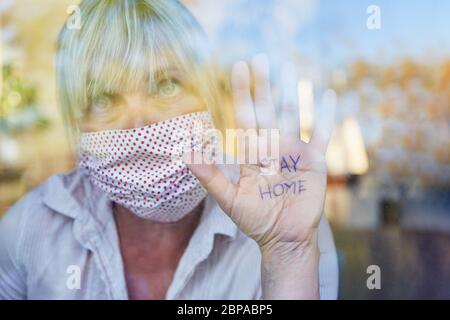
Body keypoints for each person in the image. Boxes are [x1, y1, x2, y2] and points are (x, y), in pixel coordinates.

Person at [0, 0, 338, 300]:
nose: (138, 122)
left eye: (166, 85)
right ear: (78, 126)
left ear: (210, 101)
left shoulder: (283, 217)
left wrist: (286, 254)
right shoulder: (30, 229)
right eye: (103, 99)